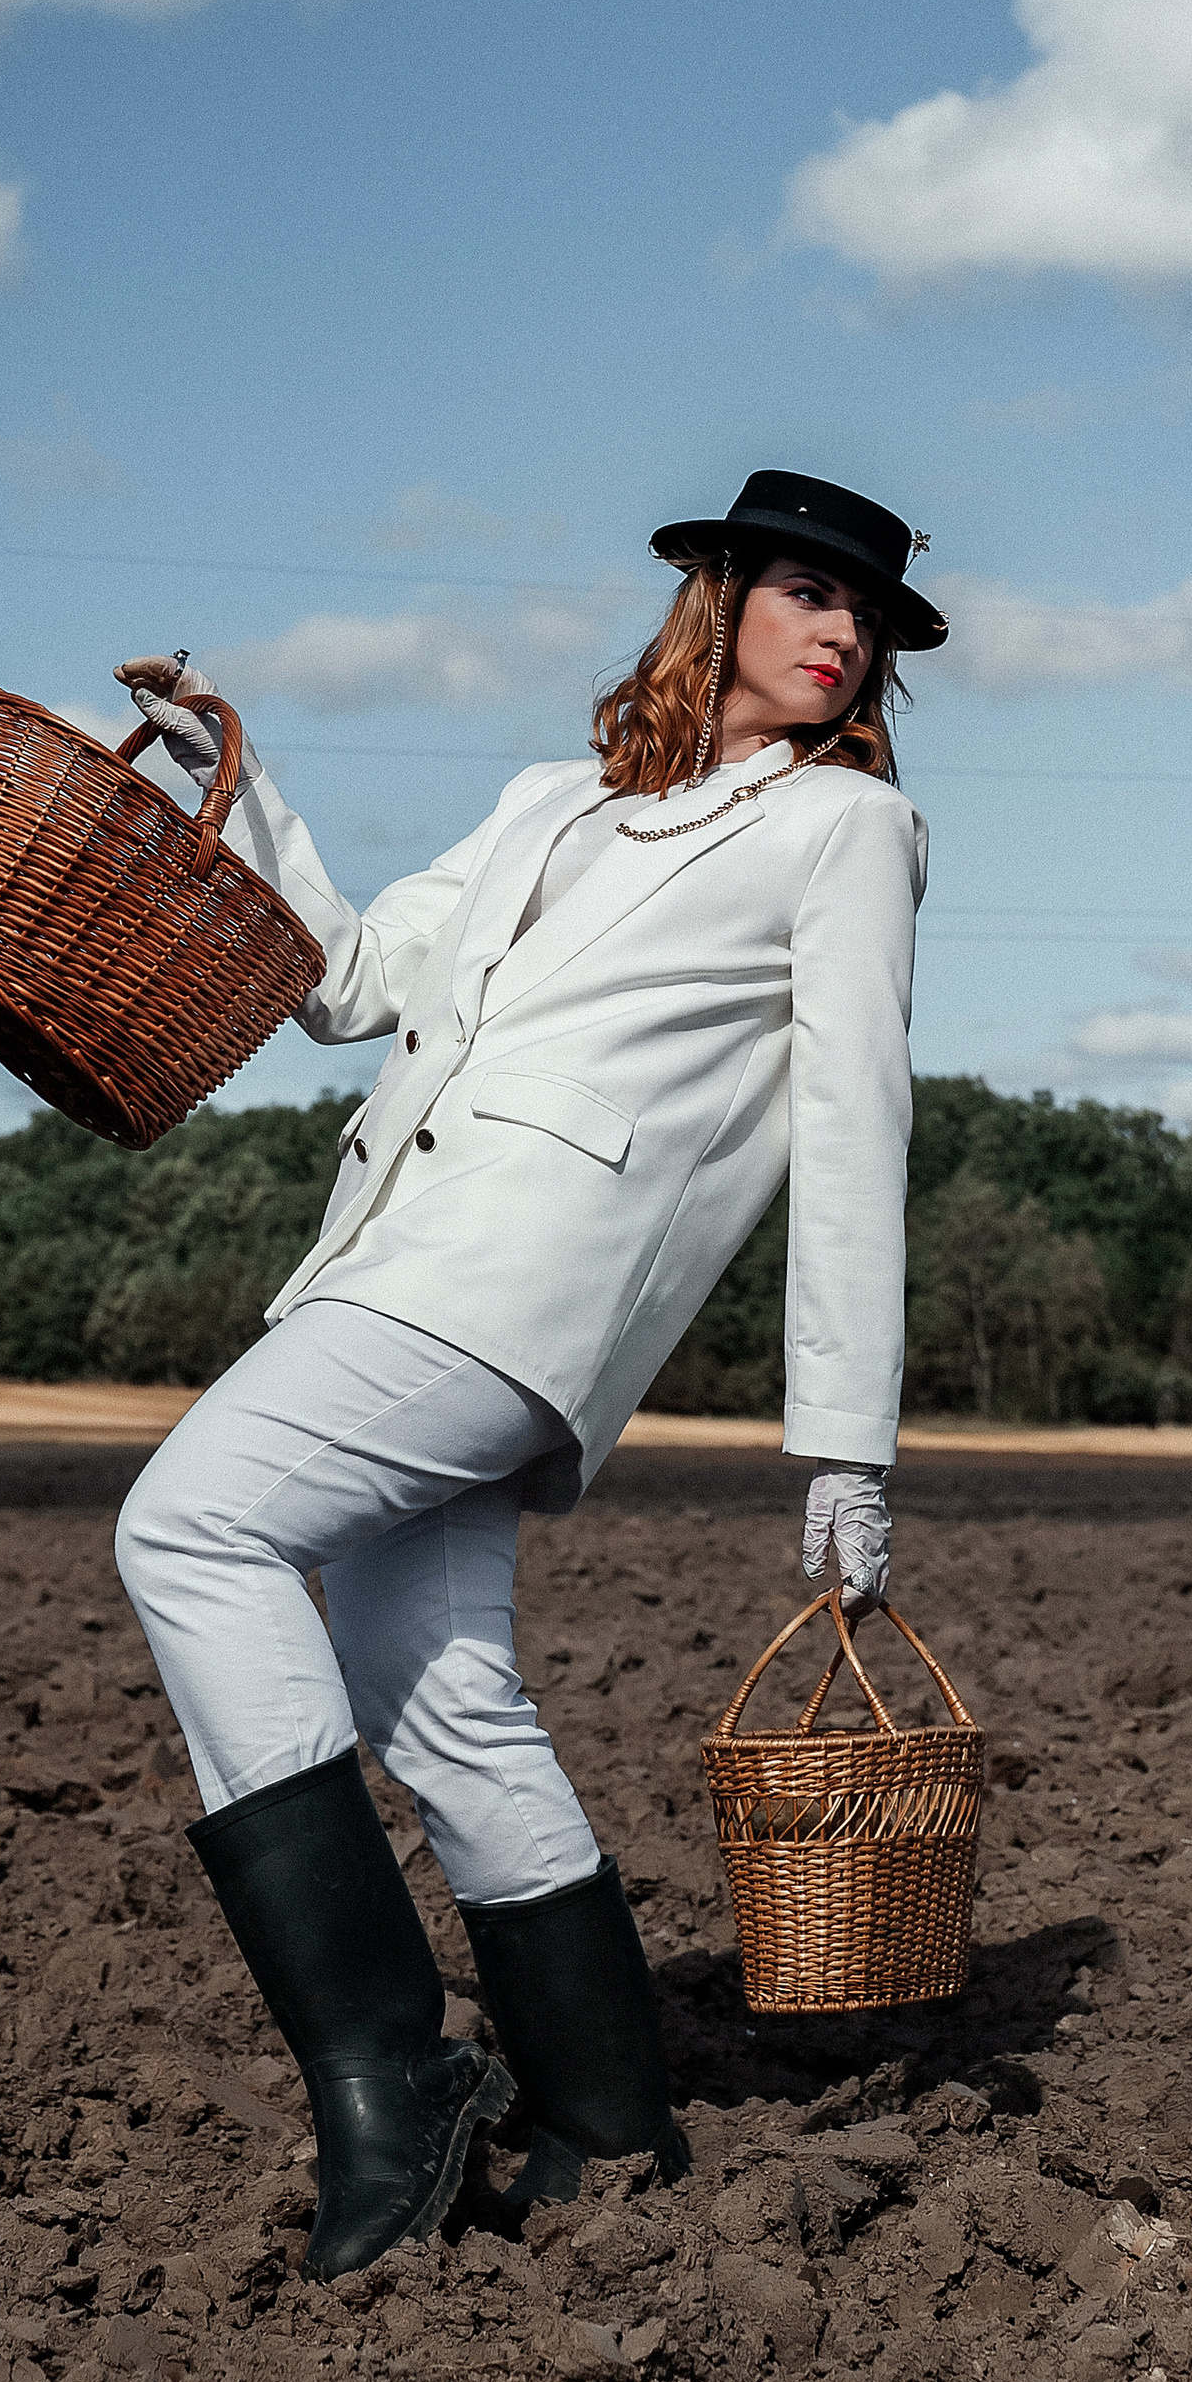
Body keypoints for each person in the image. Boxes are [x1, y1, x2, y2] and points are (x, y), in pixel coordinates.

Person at [111, 470, 943, 2278]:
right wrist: (229, 788)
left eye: (864, 617)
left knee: (191, 1528)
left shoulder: (846, 833)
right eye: (808, 590)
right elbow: (341, 981)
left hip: (523, 1290)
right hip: (399, 1251)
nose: (841, 634)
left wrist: (845, 1447)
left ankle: (390, 2068)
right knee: (438, 1691)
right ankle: (603, 2120)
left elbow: (857, 1124)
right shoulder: (546, 804)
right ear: (713, 596)